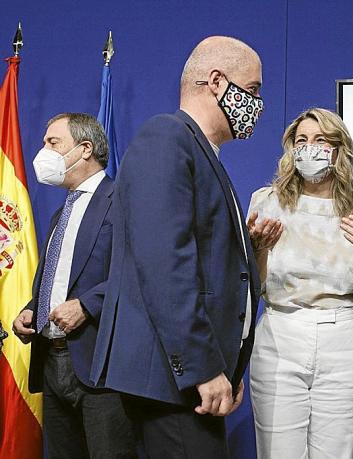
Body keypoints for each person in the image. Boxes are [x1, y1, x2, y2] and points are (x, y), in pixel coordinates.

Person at [89, 36, 263, 458]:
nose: (258, 104)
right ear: (218, 82)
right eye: (254, 91)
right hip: (171, 384)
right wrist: (203, 367)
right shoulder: (167, 137)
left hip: (183, 383)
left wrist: (229, 366)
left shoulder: (202, 152)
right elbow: (167, 264)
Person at [247, 108, 353, 458]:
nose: (310, 148)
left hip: (340, 337)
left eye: (321, 140)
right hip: (280, 331)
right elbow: (254, 286)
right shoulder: (266, 202)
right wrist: (257, 249)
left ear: (339, 150)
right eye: (302, 140)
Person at [12, 113, 136, 458]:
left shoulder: (122, 200)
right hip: (51, 362)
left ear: (84, 149)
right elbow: (60, 276)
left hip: (100, 365)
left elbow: (138, 273)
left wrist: (87, 305)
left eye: (53, 143)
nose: (44, 152)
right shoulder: (61, 212)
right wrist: (32, 309)